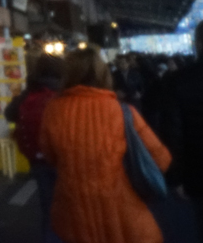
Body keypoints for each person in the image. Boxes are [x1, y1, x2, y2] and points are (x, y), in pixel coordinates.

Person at [40, 48, 171, 243]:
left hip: (73, 211)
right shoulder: (123, 111)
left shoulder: (52, 110)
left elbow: (49, 155)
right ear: (103, 73)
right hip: (121, 210)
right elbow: (162, 159)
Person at [5, 54, 64, 243]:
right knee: (71, 206)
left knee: (48, 206)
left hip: (37, 158)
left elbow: (9, 113)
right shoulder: (66, 89)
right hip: (65, 157)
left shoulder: (30, 91)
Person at [163, 20, 203, 241]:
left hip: (198, 170)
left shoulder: (179, 81)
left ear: (198, 43)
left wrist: (176, 177)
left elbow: (174, 134)